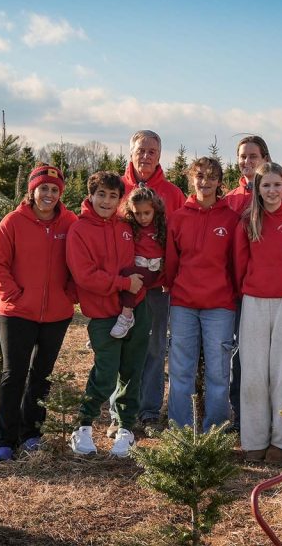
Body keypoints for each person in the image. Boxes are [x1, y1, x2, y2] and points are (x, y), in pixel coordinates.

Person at [0, 164, 78, 461]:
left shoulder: (70, 223)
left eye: (54, 189)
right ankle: (4, 439)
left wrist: (70, 295)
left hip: (56, 314)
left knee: (42, 376)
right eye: (44, 188)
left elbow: (80, 263)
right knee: (14, 375)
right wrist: (13, 295)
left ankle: (31, 435)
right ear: (32, 190)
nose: (49, 194)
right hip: (16, 313)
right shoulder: (13, 222)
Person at [67, 171, 151, 458]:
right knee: (105, 371)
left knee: (132, 370)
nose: (106, 200)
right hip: (104, 314)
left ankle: (126, 428)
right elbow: (85, 276)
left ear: (120, 199)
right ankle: (83, 426)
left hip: (137, 308)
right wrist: (123, 284)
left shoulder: (126, 226)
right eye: (101, 194)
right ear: (90, 195)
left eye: (113, 196)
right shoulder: (79, 230)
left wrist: (136, 287)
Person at [232, 162, 282, 464]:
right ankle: (254, 440)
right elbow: (240, 263)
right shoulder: (248, 221)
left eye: (277, 185)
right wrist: (249, 290)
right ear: (257, 189)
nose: (272, 190)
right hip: (254, 301)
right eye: (266, 185)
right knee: (252, 373)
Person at [223, 135, 282, 433]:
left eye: (253, 156)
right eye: (242, 156)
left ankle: (276, 422)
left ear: (264, 157)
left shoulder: (281, 196)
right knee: (243, 359)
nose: (247, 161)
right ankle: (244, 418)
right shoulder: (230, 199)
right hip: (239, 290)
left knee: (274, 361)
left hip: (275, 293)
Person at [116, 130, 186, 436]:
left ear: (160, 156)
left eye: (152, 151)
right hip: (123, 285)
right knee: (123, 346)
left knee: (155, 347)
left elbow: (180, 239)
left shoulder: (172, 194)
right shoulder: (116, 188)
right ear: (131, 152)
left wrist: (171, 276)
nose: (146, 156)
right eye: (141, 150)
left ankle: (148, 410)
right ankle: (120, 411)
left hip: (157, 286)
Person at [163, 157, 240, 431]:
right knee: (182, 368)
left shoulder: (230, 219)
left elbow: (236, 263)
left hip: (219, 305)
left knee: (218, 371)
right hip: (184, 303)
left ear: (219, 182)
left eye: (210, 177)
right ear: (191, 179)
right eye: (199, 176)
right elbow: (171, 260)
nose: (204, 182)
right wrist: (170, 284)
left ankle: (216, 427)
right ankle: (180, 427)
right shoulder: (179, 217)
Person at [110, 187, 167, 339]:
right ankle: (114, 325)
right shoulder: (131, 227)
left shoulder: (161, 228)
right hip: (137, 267)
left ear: (155, 209)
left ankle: (126, 315)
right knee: (123, 279)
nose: (142, 218)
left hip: (153, 271)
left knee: (127, 277)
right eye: (137, 213)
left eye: (147, 213)